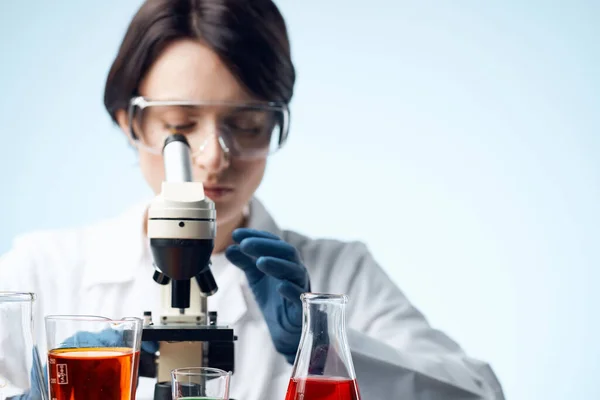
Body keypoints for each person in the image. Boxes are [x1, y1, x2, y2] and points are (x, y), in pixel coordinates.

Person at [0, 0, 505, 399]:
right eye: (180, 126)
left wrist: (323, 347)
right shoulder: (44, 269)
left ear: (275, 126)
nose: (214, 158)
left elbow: (478, 395)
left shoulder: (341, 273)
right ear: (130, 123)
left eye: (246, 126)